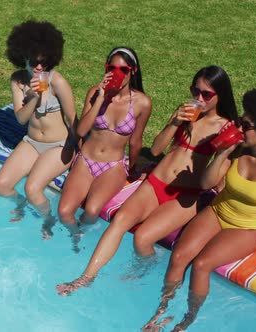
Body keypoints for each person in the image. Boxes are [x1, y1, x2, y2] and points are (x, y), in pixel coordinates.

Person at [142, 89, 256, 331]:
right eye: (240, 122)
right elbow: (206, 184)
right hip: (217, 211)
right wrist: (223, 152)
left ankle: (185, 321)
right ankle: (161, 312)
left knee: (202, 265)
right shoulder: (238, 149)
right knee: (179, 256)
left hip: (247, 227)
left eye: (246, 124)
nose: (240, 128)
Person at [56, 65, 237, 295]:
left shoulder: (226, 127)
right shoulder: (186, 113)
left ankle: (148, 267)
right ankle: (86, 278)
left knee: (141, 239)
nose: (198, 98)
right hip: (156, 182)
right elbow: (157, 149)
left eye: (206, 94)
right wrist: (174, 122)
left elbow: (216, 175)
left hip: (185, 195)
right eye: (195, 90)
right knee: (120, 221)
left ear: (220, 95)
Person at [56, 47, 152, 251]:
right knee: (64, 211)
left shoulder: (142, 103)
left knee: (91, 211)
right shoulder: (94, 93)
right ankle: (74, 239)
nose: (117, 73)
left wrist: (133, 169)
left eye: (123, 69)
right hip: (85, 160)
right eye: (111, 67)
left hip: (112, 165)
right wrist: (100, 99)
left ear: (133, 71)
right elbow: (81, 130)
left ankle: (80, 241)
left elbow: (136, 141)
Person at [0, 20, 77, 238]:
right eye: (34, 62)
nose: (39, 68)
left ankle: (48, 221)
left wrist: (82, 149)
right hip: (31, 142)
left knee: (33, 189)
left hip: (58, 145)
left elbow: (73, 117)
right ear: (24, 58)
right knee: (1, 185)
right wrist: (34, 97)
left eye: (45, 63)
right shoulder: (19, 80)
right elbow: (21, 119)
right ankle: (20, 204)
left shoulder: (57, 81)